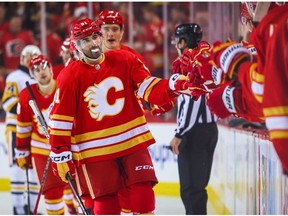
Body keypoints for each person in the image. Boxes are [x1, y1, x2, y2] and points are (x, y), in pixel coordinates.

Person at [48, 17, 195, 215]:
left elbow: (147, 87)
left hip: (132, 141)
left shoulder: (126, 60)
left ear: (99, 37)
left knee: (143, 192)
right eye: (85, 40)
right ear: (77, 46)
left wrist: (172, 86)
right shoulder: (69, 76)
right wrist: (60, 152)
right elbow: (60, 119)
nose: (92, 43)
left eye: (94, 37)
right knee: (106, 203)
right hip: (95, 151)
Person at [185, 3, 288, 174]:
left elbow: (267, 90)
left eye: (244, 19)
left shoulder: (272, 28)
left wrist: (235, 78)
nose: (246, 25)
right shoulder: (269, 29)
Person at [15, 54, 77, 215]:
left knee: (78, 187)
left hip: (67, 147)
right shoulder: (26, 96)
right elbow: (23, 127)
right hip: (41, 149)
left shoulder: (63, 86)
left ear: (50, 68)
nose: (41, 72)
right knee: (52, 193)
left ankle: (74, 209)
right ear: (32, 75)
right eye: (36, 70)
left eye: (43, 67)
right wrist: (22, 151)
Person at [169, 24, 218, 215]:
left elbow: (193, 98)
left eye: (176, 40)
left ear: (183, 41)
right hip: (208, 129)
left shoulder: (190, 61)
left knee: (191, 190)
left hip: (194, 132)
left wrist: (180, 132)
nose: (175, 45)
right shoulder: (205, 58)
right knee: (197, 188)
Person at [1, 44, 40, 215]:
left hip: (33, 130)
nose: (31, 59)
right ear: (22, 57)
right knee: (18, 168)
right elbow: (8, 103)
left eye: (35, 55)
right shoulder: (15, 77)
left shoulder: (38, 77)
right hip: (16, 128)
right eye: (29, 55)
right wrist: (28, 110)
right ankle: (17, 208)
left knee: (32, 170)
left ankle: (30, 208)